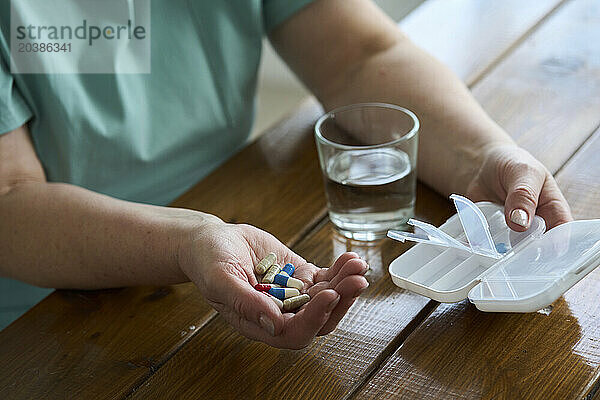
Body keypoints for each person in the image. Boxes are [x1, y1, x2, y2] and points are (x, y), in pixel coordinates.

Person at [0, 0, 572, 348]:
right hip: (49, 316)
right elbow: (10, 200)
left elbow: (360, 55)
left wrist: (482, 156)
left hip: (232, 214)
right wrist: (190, 240)